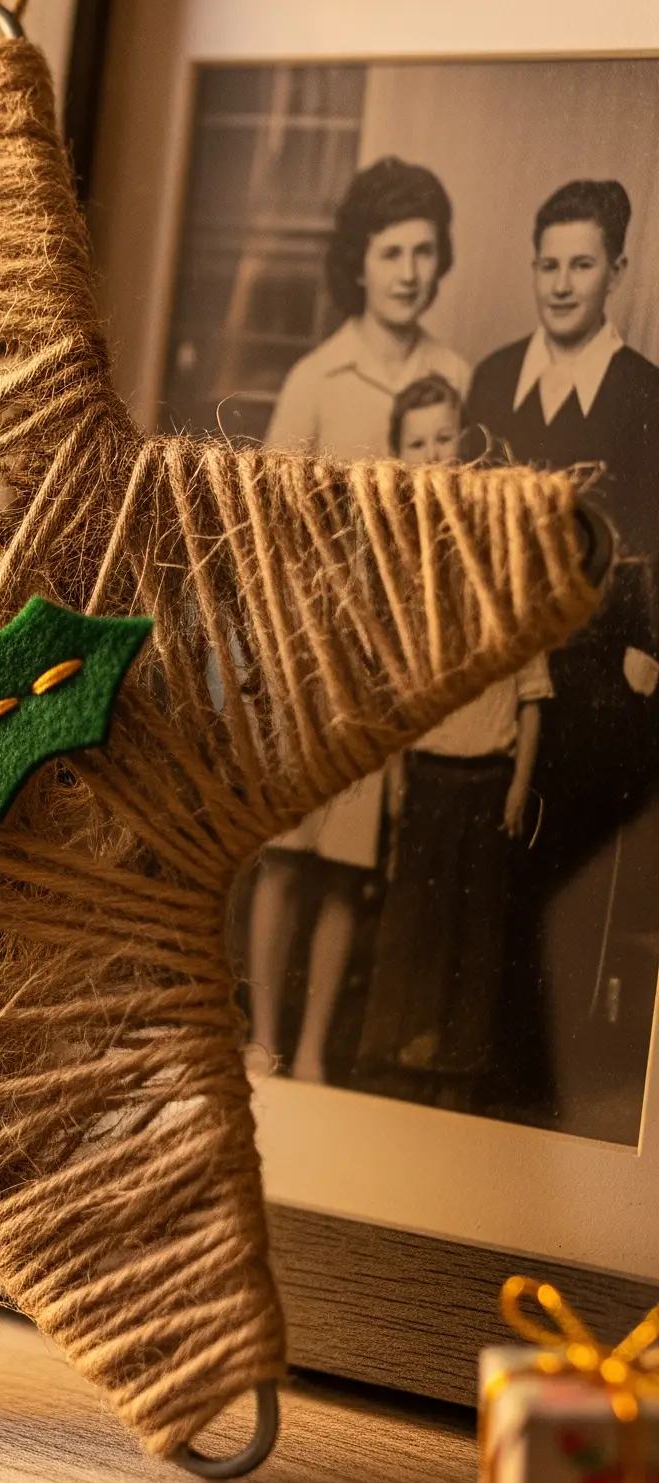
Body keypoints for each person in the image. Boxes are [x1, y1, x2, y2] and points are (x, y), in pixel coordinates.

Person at [247, 158, 468, 1084]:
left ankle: (311, 1052)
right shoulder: (315, 379)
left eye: (425, 250)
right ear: (360, 264)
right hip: (310, 654)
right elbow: (262, 527)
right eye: (391, 252)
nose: (410, 271)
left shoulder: (456, 377)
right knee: (290, 857)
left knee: (348, 866)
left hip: (395, 660)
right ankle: (261, 1035)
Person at [465, 176, 659, 1122]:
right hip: (497, 672)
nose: (561, 282)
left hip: (595, 686)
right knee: (487, 878)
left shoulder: (644, 395)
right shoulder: (495, 378)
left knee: (564, 897)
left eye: (582, 263)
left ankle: (542, 1102)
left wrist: (645, 652)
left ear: (617, 271)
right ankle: (479, 1086)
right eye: (548, 263)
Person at [356, 376, 550, 1100]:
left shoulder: (501, 548)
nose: (434, 454)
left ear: (465, 443)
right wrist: (401, 769)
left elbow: (531, 690)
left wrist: (519, 783)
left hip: (488, 775)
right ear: (397, 454)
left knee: (477, 926)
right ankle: (396, 1053)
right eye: (418, 443)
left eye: (446, 439)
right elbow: (403, 683)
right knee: (414, 919)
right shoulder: (399, 550)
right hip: (428, 771)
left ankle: (461, 1062)